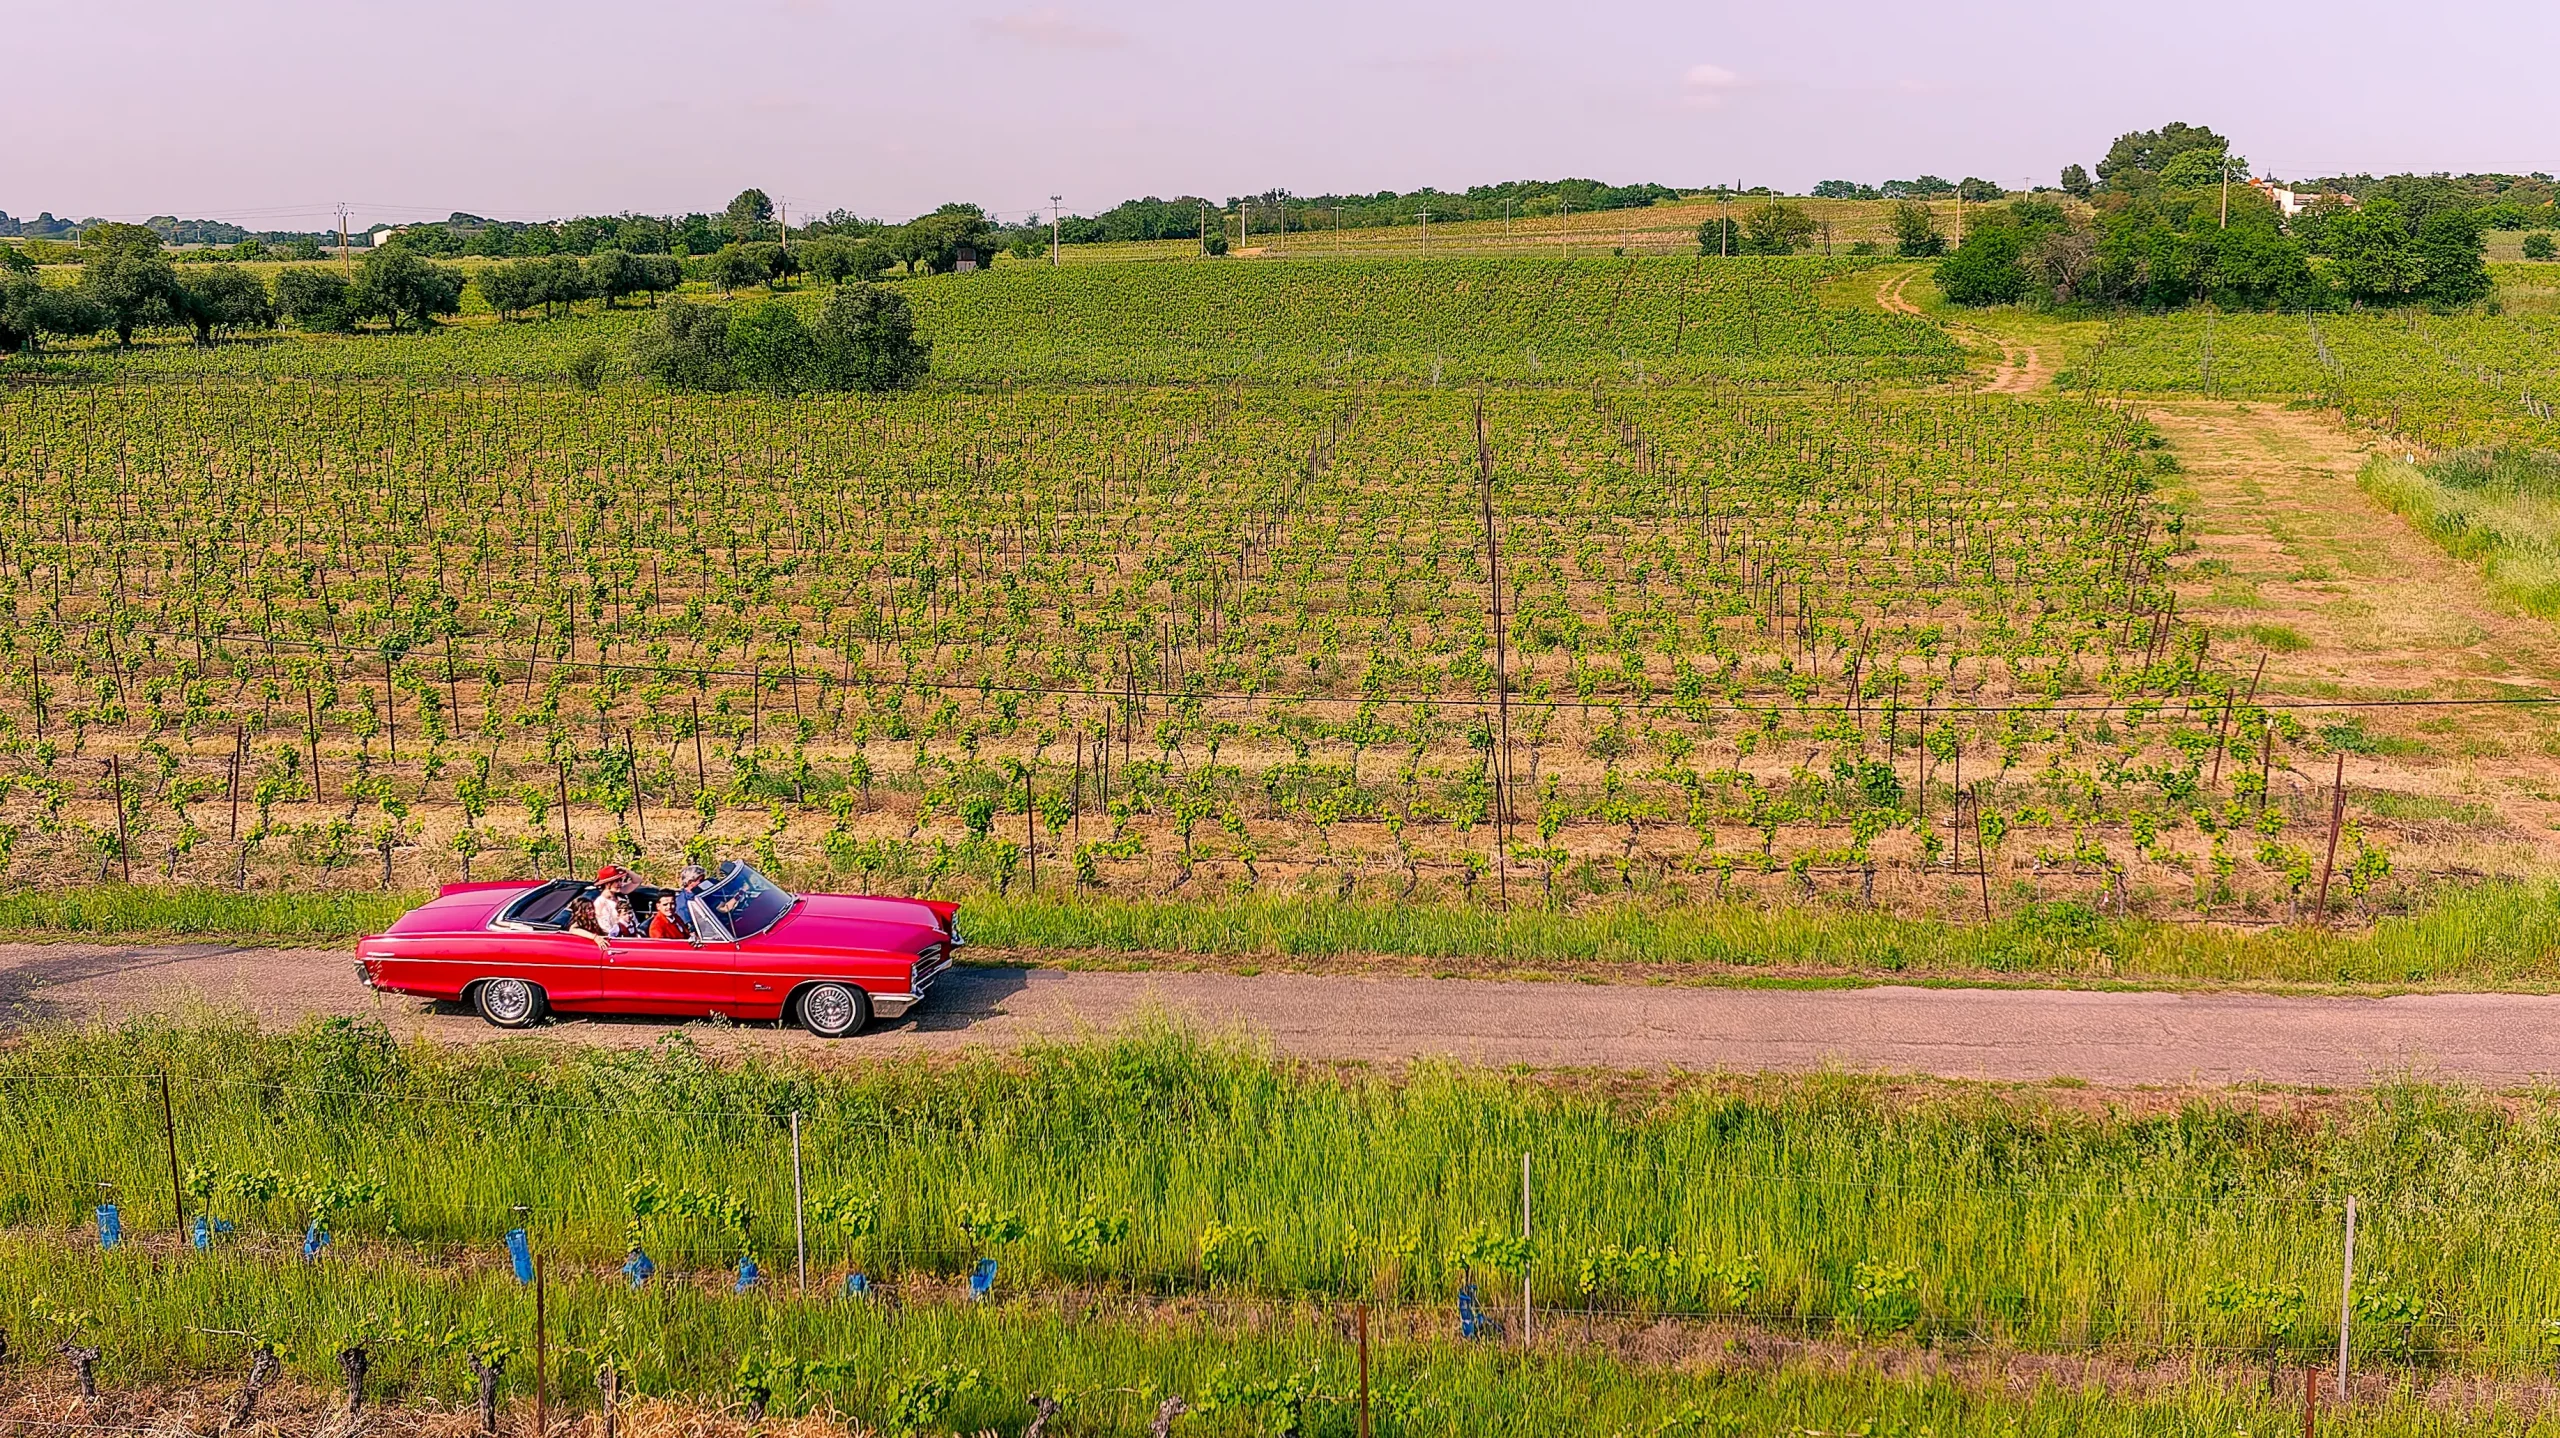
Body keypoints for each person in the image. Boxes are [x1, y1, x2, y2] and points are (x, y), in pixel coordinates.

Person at [591, 865, 641, 937]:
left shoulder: (621, 896)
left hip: (634, 933)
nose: (620, 884)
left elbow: (637, 881)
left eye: (620, 880)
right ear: (607, 884)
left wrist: (627, 871)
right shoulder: (600, 903)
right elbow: (606, 929)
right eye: (616, 881)